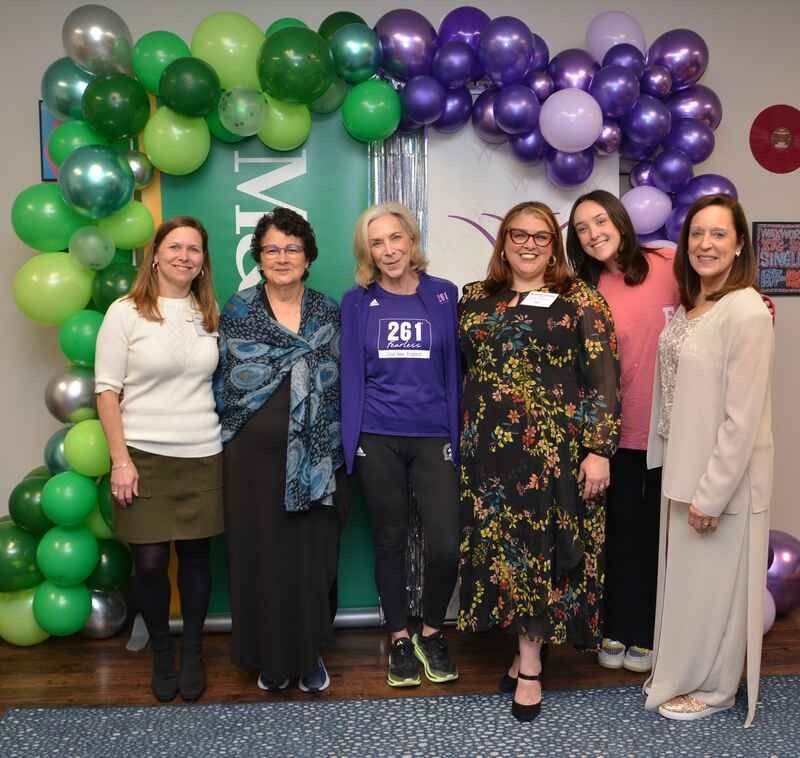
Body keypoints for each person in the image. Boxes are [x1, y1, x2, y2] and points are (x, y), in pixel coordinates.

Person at [457, 201, 620, 721]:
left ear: (554, 246)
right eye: (519, 235)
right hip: (488, 455)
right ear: (503, 241)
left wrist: (599, 450)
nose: (529, 244)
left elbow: (603, 377)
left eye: (541, 236)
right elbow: (465, 370)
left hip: (552, 453)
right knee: (505, 557)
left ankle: (530, 667)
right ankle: (522, 650)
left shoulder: (581, 299)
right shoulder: (474, 297)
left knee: (539, 554)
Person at [643, 194, 773, 726]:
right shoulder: (695, 304)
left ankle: (716, 689)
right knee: (690, 588)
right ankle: (681, 673)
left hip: (721, 478)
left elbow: (743, 418)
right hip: (684, 466)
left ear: (739, 244)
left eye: (719, 234)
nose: (705, 244)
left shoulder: (746, 310)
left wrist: (712, 494)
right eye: (697, 233)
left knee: (718, 589)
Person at [215, 207, 347, 695]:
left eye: (293, 248)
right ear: (259, 257)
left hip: (316, 458)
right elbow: (227, 382)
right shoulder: (239, 311)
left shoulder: (328, 312)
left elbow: (342, 382)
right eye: (272, 249)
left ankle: (308, 654)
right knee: (260, 557)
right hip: (251, 460)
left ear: (308, 257)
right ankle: (268, 657)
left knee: (311, 559)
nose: (282, 257)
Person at [94, 216, 223, 703]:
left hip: (202, 450)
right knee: (149, 562)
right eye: (175, 247)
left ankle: (192, 652)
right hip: (142, 453)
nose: (184, 256)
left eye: (194, 249)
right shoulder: (124, 312)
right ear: (155, 255)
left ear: (202, 262)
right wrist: (120, 459)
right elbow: (107, 392)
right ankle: (162, 651)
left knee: (195, 557)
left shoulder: (208, 313)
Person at [340, 202, 461, 688]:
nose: (388, 250)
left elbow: (456, 368)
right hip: (378, 435)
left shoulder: (444, 294)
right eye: (377, 243)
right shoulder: (356, 302)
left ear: (411, 240)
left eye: (395, 238)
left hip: (434, 435)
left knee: (445, 543)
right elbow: (351, 372)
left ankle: (431, 631)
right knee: (389, 539)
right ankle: (397, 638)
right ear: (367, 251)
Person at [566, 190, 679, 674]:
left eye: (599, 221)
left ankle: (646, 632)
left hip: (671, 430)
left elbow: (717, 299)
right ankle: (613, 626)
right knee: (615, 536)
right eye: (581, 229)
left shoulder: (668, 263)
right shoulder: (583, 290)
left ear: (619, 219)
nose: (593, 234)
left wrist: (756, 304)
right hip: (611, 434)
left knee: (656, 536)